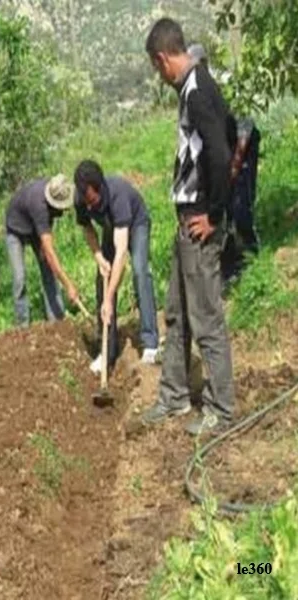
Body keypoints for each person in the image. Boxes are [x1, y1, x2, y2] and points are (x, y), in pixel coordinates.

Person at [141, 19, 236, 436]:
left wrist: (214, 214)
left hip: (199, 222)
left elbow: (220, 151)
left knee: (206, 317)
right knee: (177, 314)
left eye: (155, 67)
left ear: (163, 59)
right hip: (187, 222)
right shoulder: (195, 87)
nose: (158, 76)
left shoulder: (197, 91)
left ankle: (220, 407)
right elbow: (227, 135)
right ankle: (174, 395)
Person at [73, 160, 160, 373]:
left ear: (100, 187)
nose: (90, 206)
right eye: (87, 202)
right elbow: (87, 229)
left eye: (93, 200)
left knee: (140, 272)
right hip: (110, 227)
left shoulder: (118, 194)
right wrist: (99, 256)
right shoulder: (80, 198)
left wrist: (110, 297)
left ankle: (150, 342)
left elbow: (121, 253)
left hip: (136, 224)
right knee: (100, 284)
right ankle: (107, 353)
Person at [188, 43, 261, 287]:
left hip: (243, 144)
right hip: (225, 149)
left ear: (204, 64)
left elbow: (244, 134)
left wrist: (233, 169)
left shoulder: (222, 87)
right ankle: (231, 261)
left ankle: (252, 255)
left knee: (241, 201)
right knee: (225, 205)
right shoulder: (196, 92)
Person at [4, 173, 80, 326]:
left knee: (48, 270)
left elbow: (49, 221)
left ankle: (57, 321)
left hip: (35, 229)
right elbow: (51, 253)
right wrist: (68, 285)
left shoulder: (54, 188)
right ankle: (22, 325)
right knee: (20, 277)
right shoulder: (38, 205)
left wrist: (43, 249)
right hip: (15, 229)